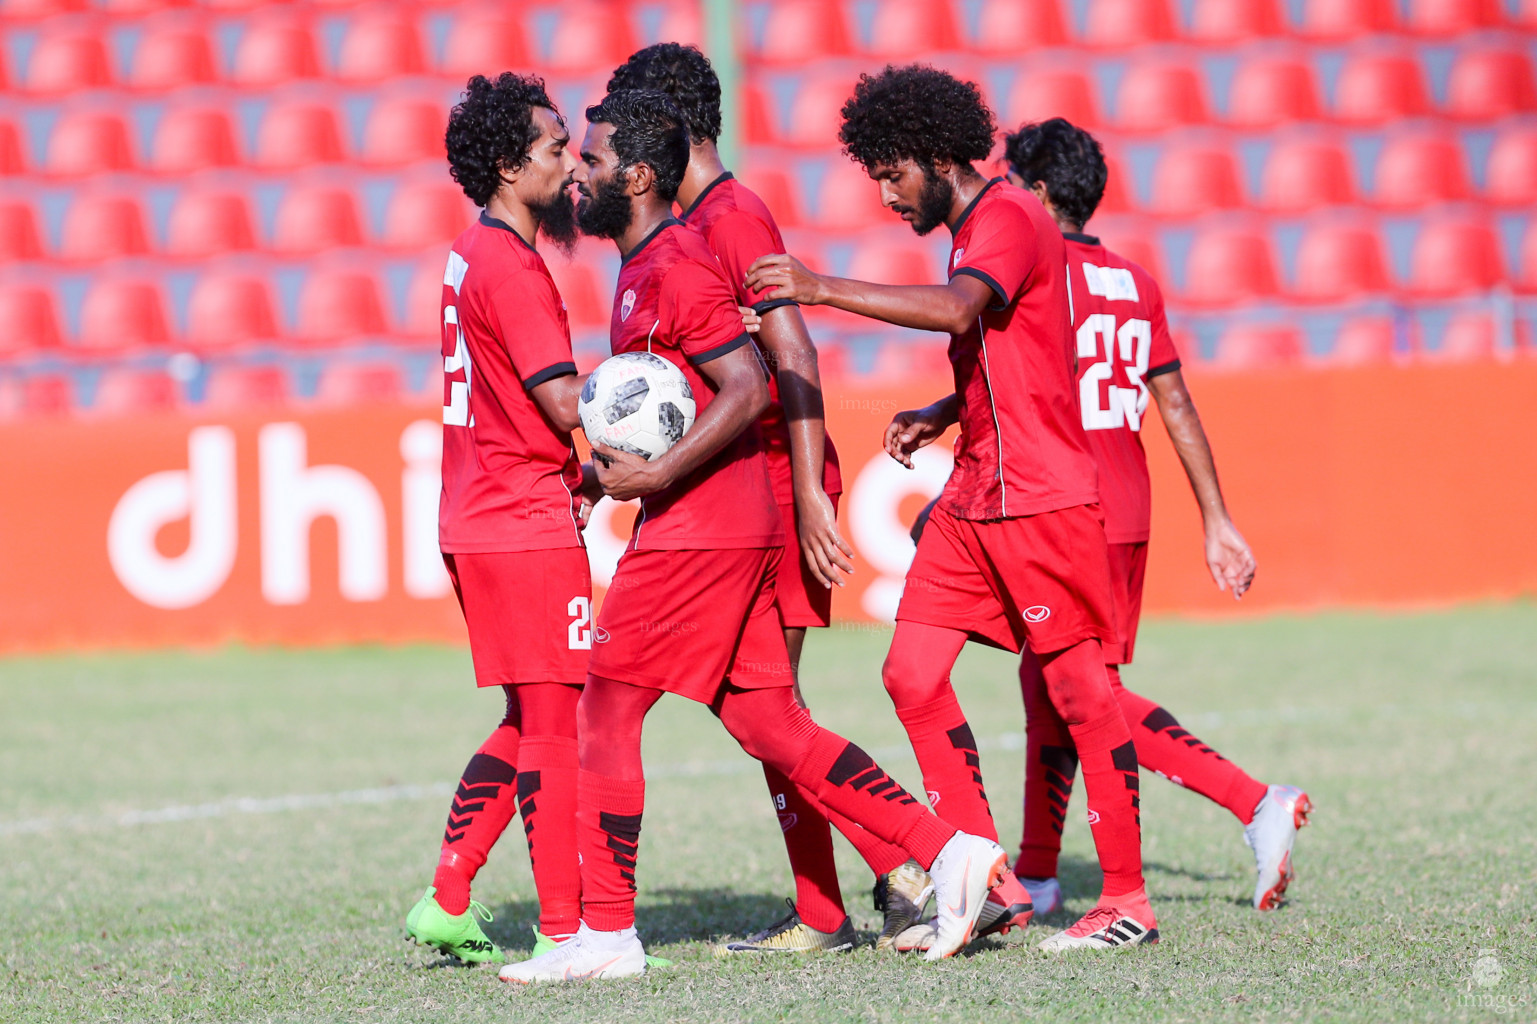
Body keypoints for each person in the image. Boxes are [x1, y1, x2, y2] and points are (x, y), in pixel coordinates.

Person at [499, 88, 1008, 985]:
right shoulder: (638, 266)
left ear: (641, 176)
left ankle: (608, 936)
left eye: (594, 157)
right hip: (716, 521)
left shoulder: (676, 264)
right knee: (769, 720)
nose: (579, 170)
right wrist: (601, 473)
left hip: (702, 528)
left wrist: (654, 479)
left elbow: (749, 386)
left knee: (604, 709)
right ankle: (949, 851)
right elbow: (680, 402)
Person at [746, 65, 1154, 952]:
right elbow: (1013, 352)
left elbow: (956, 310)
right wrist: (944, 412)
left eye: (893, 175)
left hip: (1041, 498)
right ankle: (989, 879)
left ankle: (1124, 899)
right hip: (976, 493)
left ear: (937, 154)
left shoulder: (1007, 217)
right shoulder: (975, 227)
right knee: (910, 676)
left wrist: (820, 288)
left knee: (1080, 691)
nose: (889, 196)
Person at [603, 42, 931, 955]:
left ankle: (890, 879)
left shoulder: (730, 218)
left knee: (765, 709)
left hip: (777, 489)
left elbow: (792, 357)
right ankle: (874, 884)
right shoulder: (686, 226)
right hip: (749, 487)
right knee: (757, 708)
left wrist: (813, 499)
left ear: (668, 128)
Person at [999, 118, 1311, 914]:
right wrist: (1216, 518)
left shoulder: (1031, 270)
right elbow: (1172, 401)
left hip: (1064, 501)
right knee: (1051, 685)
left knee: (1079, 691)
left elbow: (1010, 394)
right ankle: (1036, 871)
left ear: (1034, 192)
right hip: (1126, 501)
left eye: (1009, 184)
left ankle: (1252, 799)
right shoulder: (1133, 281)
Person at [402, 72, 591, 965]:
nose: (571, 158)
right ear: (512, 166)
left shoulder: (467, 254)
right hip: (519, 517)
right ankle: (566, 931)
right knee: (559, 722)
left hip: (479, 512)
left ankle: (448, 894)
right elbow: (563, 403)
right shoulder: (511, 267)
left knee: (531, 711)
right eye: (556, 146)